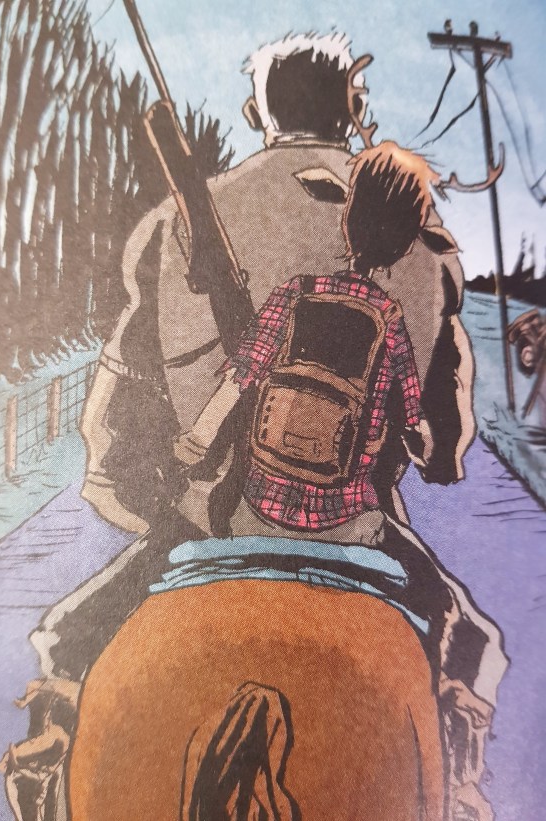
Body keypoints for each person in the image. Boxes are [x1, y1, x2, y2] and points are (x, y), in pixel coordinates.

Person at [174, 141, 507, 819]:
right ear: (407, 239)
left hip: (252, 516)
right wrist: (426, 446)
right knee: (470, 633)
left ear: (346, 216)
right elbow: (415, 431)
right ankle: (460, 786)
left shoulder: (293, 294)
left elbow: (240, 377)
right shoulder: (389, 322)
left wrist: (197, 439)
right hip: (351, 530)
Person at [79, 32, 474, 538]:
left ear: (254, 113)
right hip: (359, 521)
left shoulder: (172, 221)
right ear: (355, 110)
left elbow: (110, 442)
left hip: (208, 521)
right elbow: (444, 432)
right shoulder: (420, 227)